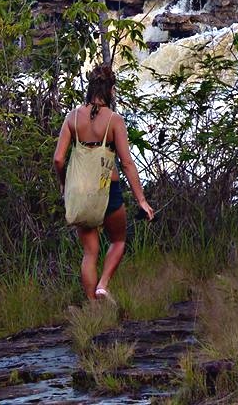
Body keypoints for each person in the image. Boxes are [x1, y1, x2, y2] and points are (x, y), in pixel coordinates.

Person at [52, 64, 155, 302]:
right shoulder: (114, 120)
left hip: (79, 191)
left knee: (90, 252)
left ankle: (92, 307)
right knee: (118, 240)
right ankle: (103, 285)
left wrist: (63, 185)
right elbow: (127, 164)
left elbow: (58, 159)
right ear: (111, 90)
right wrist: (141, 200)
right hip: (108, 189)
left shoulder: (73, 117)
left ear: (90, 87)